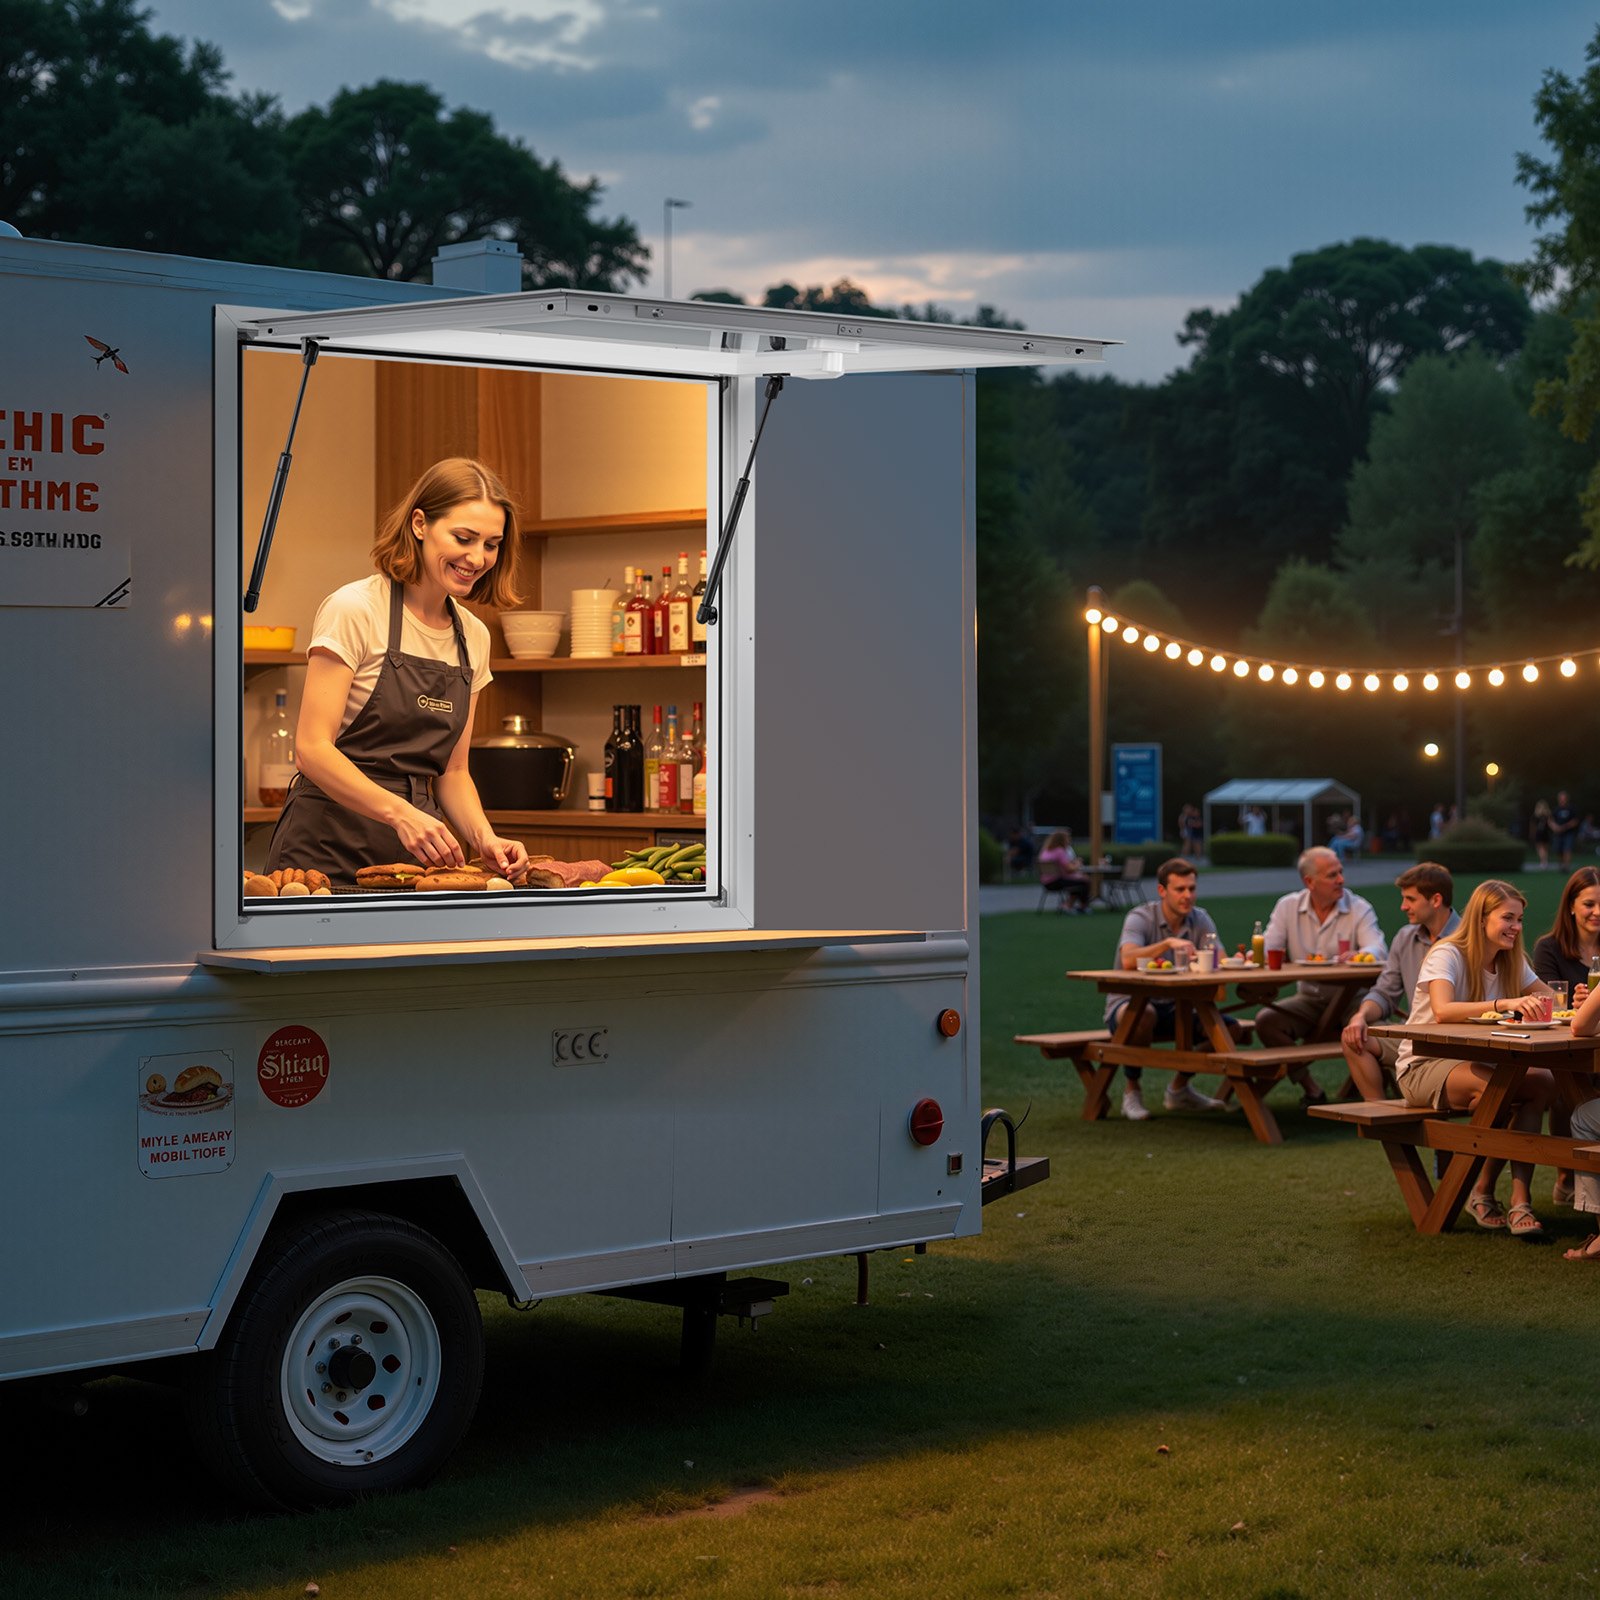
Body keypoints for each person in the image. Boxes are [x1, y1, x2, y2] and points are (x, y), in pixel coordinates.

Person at [265, 456, 531, 887]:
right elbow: (312, 749)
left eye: (491, 544)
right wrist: (400, 813)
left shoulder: (474, 637)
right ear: (420, 524)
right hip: (324, 849)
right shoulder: (355, 609)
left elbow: (453, 773)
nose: (477, 557)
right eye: (463, 538)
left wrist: (485, 838)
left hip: (415, 858)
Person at [1392, 879, 1556, 1240]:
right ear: (1482, 918)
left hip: (1482, 1066)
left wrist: (1576, 1001)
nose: (1516, 927)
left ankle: (1515, 1199)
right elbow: (1443, 1010)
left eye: (1519, 919)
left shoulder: (1510, 960)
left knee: (1541, 1082)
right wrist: (1505, 1003)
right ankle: (1481, 1193)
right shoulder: (1447, 954)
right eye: (1507, 918)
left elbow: (1550, 999)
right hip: (1424, 1065)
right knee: (1500, 1094)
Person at [1104, 857, 1239, 1120]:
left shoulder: (1200, 918)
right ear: (1162, 890)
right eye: (1180, 889)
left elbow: (1220, 959)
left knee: (1232, 1030)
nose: (1187, 896)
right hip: (1130, 1005)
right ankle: (1132, 1091)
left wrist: (1234, 960)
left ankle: (1178, 1088)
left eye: (1192, 888)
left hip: (1180, 1007)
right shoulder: (1140, 917)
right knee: (1144, 1015)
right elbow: (1128, 959)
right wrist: (1167, 944)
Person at [1255, 847, 1388, 1105]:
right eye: (1332, 875)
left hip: (1352, 999)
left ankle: (1376, 1100)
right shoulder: (1288, 906)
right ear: (1310, 882)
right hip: (1309, 998)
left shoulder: (1359, 907)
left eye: (1341, 872)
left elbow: (1378, 948)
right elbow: (1270, 948)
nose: (1341, 880)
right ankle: (1311, 1088)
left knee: (1371, 1031)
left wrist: (1362, 955)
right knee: (1266, 1021)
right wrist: (1256, 954)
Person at [1339, 863, 1460, 1100]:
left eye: (1410, 899)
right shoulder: (1405, 937)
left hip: (1456, 1044)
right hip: (1414, 1039)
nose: (1403, 906)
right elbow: (1385, 992)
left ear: (1436, 900)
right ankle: (1380, 1115)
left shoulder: (1469, 938)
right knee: (1353, 1038)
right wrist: (1360, 1016)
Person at [1531, 866, 1600, 1206]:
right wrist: (1576, 1005)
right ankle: (1565, 1176)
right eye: (1589, 904)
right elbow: (1548, 1002)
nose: (1597, 912)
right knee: (1563, 1086)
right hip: (1563, 1043)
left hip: (1592, 1039)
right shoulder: (1550, 948)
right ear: (1571, 906)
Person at [1036, 829, 1089, 911]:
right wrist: (1078, 863)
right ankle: (1081, 906)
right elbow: (1069, 869)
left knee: (1078, 881)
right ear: (1062, 840)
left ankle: (1068, 904)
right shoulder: (1059, 851)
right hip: (1056, 881)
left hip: (1046, 882)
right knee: (1084, 881)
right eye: (1067, 839)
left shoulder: (1045, 851)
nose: (1069, 841)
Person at [1552, 791, 1579, 870]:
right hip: (1558, 834)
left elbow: (1575, 821)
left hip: (1569, 833)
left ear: (1567, 799)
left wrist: (1564, 827)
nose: (1562, 800)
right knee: (1559, 850)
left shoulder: (1571, 809)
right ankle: (1561, 865)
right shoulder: (1556, 809)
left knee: (1567, 849)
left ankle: (1566, 866)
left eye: (1564, 798)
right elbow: (1551, 820)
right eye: (1561, 798)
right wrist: (1555, 827)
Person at [1531, 798, 1553, 870]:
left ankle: (1543, 862)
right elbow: (1550, 824)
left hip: (1539, 833)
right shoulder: (1548, 815)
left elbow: (1533, 826)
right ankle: (1545, 862)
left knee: (1540, 848)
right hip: (1546, 833)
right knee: (1545, 849)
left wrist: (1532, 834)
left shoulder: (1536, 816)